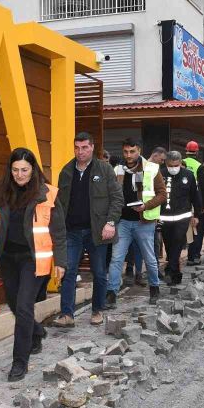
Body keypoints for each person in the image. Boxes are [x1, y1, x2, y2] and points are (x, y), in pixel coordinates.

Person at [0, 148, 66, 381]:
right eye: (15, 170)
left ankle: (20, 361)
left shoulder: (47, 193)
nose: (19, 175)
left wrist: (61, 261)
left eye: (24, 170)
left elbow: (58, 231)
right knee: (17, 306)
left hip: (33, 259)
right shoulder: (0, 193)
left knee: (25, 306)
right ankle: (36, 332)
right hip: (7, 257)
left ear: (33, 169)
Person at [52, 132, 122, 327]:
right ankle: (67, 314)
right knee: (68, 271)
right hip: (71, 231)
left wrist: (110, 223)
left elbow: (117, 198)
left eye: (84, 147)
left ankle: (97, 310)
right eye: (77, 147)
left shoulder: (105, 169)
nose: (80, 151)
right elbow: (59, 204)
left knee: (99, 272)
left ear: (92, 147)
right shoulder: (66, 171)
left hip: (97, 231)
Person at [107, 138, 167, 306]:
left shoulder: (151, 168)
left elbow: (162, 194)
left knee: (150, 258)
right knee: (117, 259)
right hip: (123, 222)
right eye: (126, 152)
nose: (129, 155)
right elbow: (111, 194)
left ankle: (154, 288)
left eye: (132, 151)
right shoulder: (117, 169)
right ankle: (111, 293)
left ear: (139, 151)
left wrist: (146, 206)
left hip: (144, 222)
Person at [159, 151, 201, 285]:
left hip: (182, 218)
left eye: (176, 165)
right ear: (166, 163)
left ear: (181, 163)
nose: (173, 168)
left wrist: (197, 215)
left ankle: (170, 270)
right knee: (169, 246)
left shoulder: (188, 175)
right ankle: (176, 274)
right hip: (164, 218)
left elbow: (195, 195)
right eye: (170, 165)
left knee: (177, 244)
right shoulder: (160, 174)